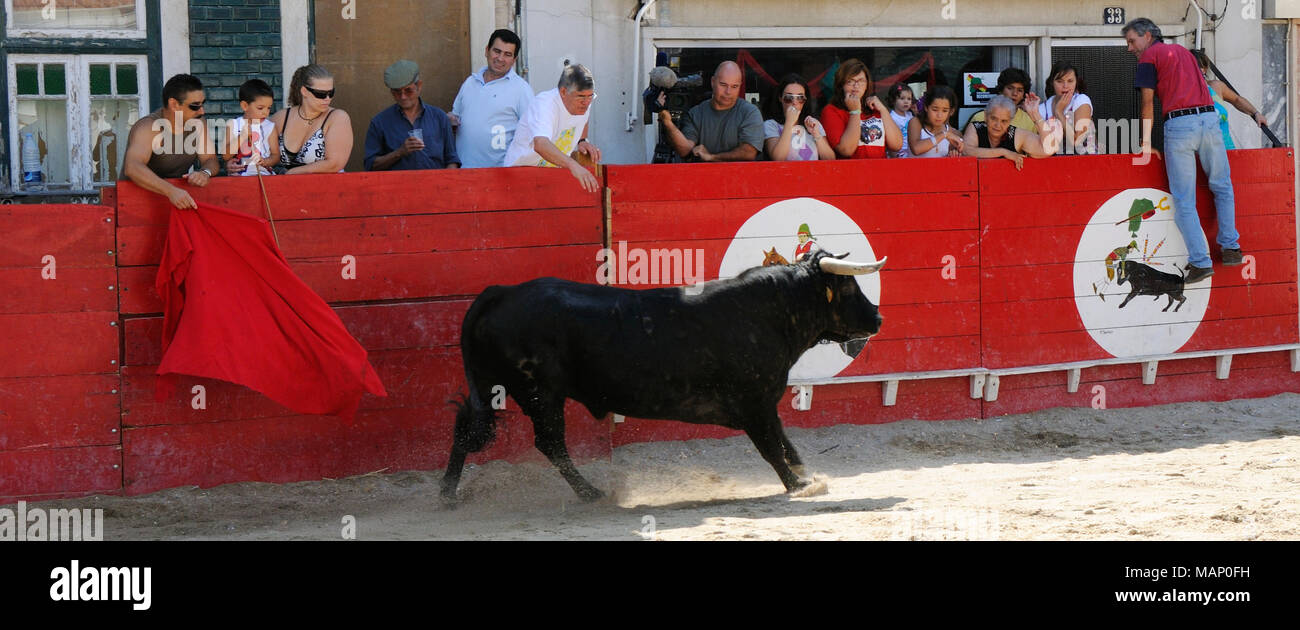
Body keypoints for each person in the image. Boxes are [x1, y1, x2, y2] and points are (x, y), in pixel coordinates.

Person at [1124, 17, 1241, 283]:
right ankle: (1231, 246)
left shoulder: (1149, 58)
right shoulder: (1186, 54)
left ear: (1148, 36)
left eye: (1132, 41)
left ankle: (1201, 261)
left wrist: (1144, 142)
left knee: (1184, 200)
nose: (1130, 48)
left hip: (1180, 123)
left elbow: (1146, 103)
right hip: (1209, 119)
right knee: (1222, 186)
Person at [120, 73, 221, 210]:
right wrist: (171, 191)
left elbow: (210, 159)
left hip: (174, 202)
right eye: (195, 106)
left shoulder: (198, 123)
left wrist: (205, 173)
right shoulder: (149, 127)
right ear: (174, 104)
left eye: (203, 104)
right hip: (134, 204)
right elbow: (132, 167)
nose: (202, 111)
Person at [503, 63, 603, 192]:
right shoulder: (545, 104)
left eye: (590, 96)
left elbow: (584, 117)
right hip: (518, 177)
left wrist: (582, 140)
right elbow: (541, 144)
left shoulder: (584, 103)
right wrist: (574, 165)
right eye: (581, 97)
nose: (586, 103)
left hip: (550, 178)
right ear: (563, 92)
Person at [449, 29, 534, 168]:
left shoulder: (522, 89)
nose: (500, 58)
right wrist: (450, 119)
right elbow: (455, 116)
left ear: (514, 60)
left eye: (507, 54)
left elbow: (530, 134)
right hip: (464, 172)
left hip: (500, 175)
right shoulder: (470, 82)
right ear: (487, 51)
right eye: (497, 51)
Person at [658, 60, 764, 162]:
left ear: (740, 86)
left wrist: (711, 157)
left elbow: (748, 153)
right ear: (713, 82)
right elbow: (685, 149)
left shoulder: (749, 112)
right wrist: (668, 123)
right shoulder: (696, 113)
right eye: (723, 85)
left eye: (734, 86)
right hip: (702, 178)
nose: (728, 92)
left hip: (740, 178)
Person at [364, 60, 460, 171]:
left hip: (434, 185)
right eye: (397, 92)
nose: (403, 97)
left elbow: (452, 159)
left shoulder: (439, 117)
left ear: (419, 86)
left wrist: (445, 183)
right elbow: (370, 165)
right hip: (396, 186)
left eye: (408, 90)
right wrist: (400, 152)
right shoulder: (380, 122)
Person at [270, 64, 352, 174]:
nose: (327, 99)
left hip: (328, 188)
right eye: (321, 94)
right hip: (284, 189)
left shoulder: (337, 117)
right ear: (304, 91)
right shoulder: (281, 118)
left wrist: (291, 173)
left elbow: (334, 164)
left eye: (331, 93)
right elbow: (259, 152)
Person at [820, 59, 903, 159]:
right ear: (841, 85)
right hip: (850, 172)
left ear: (867, 84)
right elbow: (846, 150)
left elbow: (897, 145)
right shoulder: (831, 110)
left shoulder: (874, 108)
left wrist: (883, 110)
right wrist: (855, 112)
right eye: (850, 81)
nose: (856, 86)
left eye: (861, 81)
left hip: (879, 171)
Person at [1195, 51, 1269, 150]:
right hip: (1199, 151)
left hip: (1226, 148)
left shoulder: (1216, 86)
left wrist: (1256, 113)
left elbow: (1236, 99)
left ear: (1203, 69)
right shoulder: (1183, 91)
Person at [962, 96, 1060, 170]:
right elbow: (967, 151)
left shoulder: (1016, 135)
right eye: (993, 118)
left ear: (1010, 121)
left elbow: (1050, 149)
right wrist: (1004, 152)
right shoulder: (975, 127)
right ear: (985, 116)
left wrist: (1035, 114)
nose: (998, 125)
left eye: (1004, 121)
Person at [762, 74, 834, 161]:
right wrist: (789, 123)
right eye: (789, 97)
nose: (794, 102)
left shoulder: (813, 124)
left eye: (800, 98)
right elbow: (778, 158)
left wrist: (816, 134)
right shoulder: (771, 125)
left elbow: (830, 159)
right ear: (780, 98)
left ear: (805, 100)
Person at [963, 67, 1047, 133]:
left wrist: (1035, 114)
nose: (1015, 93)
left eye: (1020, 90)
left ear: (1024, 95)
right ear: (1000, 90)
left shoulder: (1029, 121)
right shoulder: (980, 117)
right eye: (1010, 88)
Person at [223, 79, 279, 177]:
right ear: (245, 106)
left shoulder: (270, 127)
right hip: (239, 174)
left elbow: (276, 155)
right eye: (260, 108)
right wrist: (243, 136)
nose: (265, 112)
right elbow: (226, 156)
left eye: (269, 108)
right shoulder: (233, 124)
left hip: (262, 174)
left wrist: (265, 161)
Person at [1038, 61, 1095, 154]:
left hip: (1086, 160)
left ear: (1076, 82)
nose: (1065, 86)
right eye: (1059, 81)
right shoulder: (1043, 108)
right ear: (1052, 82)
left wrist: (1059, 112)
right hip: (1055, 162)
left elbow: (1078, 141)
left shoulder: (1081, 100)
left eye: (1070, 81)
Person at [907, 85, 964, 158]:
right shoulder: (916, 122)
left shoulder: (951, 132)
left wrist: (954, 153)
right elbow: (916, 149)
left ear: (951, 111)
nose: (939, 115)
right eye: (935, 109)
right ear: (926, 107)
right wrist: (944, 135)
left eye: (944, 111)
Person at [885, 83, 915, 158]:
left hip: (910, 151)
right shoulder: (891, 117)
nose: (906, 102)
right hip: (898, 153)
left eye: (909, 99)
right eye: (902, 98)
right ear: (893, 100)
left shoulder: (910, 115)